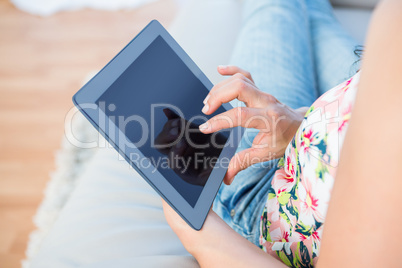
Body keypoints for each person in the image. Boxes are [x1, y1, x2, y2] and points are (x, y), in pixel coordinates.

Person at [162, 0, 402, 267]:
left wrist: (194, 229)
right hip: (333, 115)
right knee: (311, 13)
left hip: (268, 202)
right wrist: (302, 124)